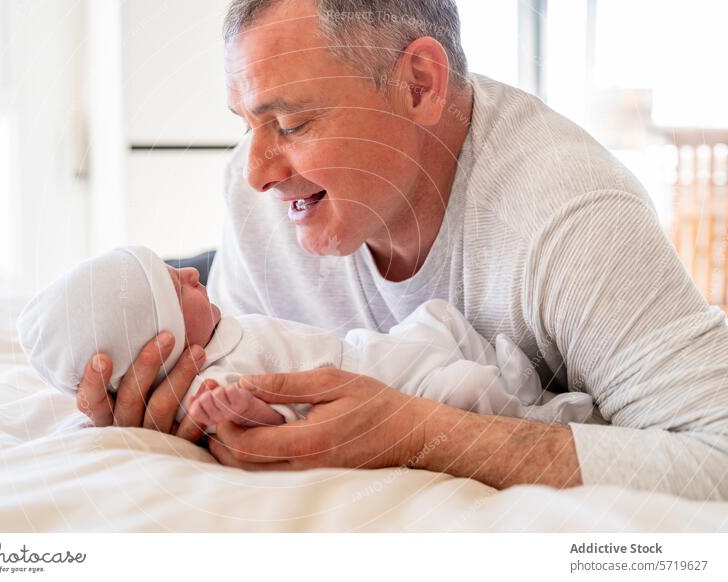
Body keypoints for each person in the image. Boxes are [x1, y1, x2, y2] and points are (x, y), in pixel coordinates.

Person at [76, 0, 728, 499]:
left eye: (293, 123)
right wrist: (177, 407)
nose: (255, 171)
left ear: (419, 84)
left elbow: (717, 453)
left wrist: (420, 434)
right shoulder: (255, 199)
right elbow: (236, 355)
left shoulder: (571, 216)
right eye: (247, 125)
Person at [17, 246, 594, 435]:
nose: (194, 275)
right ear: (159, 344)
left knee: (438, 319)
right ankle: (539, 414)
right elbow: (270, 421)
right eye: (176, 285)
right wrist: (240, 411)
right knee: (463, 387)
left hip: (372, 347)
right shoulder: (209, 384)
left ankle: (515, 374)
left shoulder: (215, 329)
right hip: (376, 384)